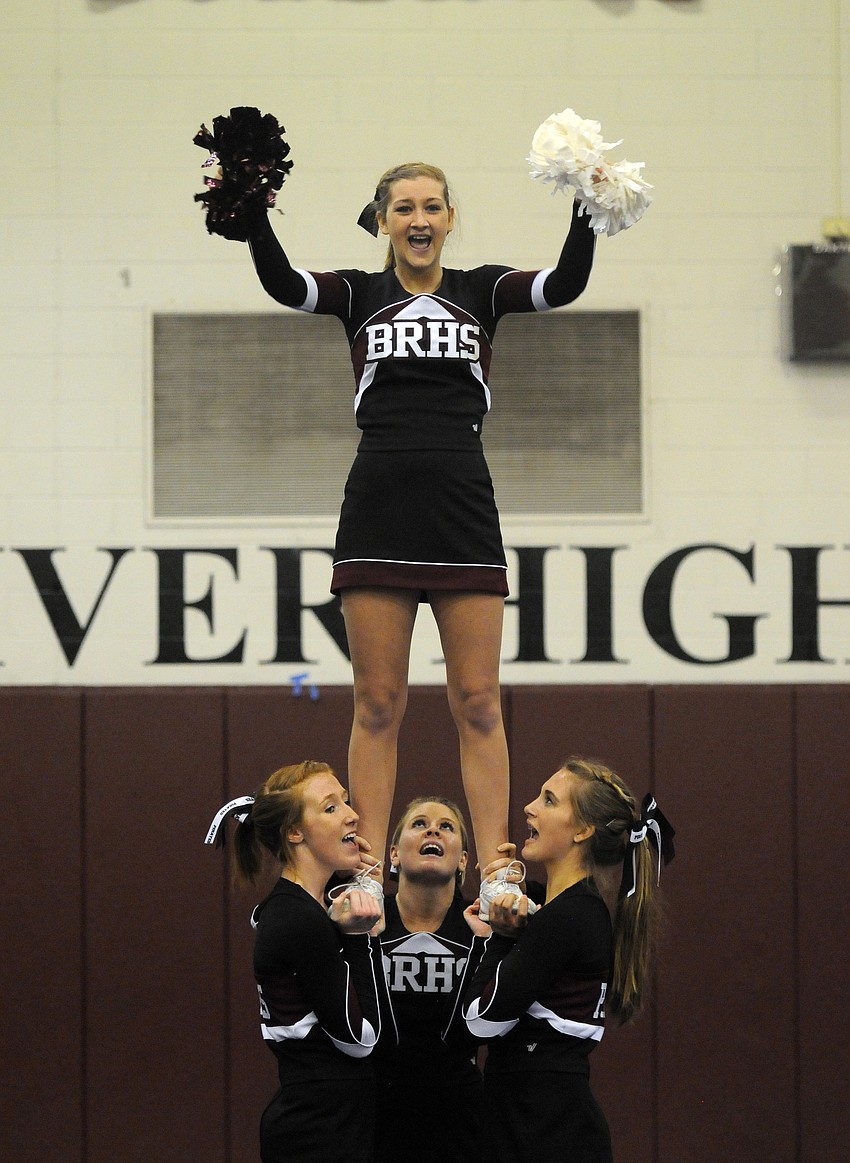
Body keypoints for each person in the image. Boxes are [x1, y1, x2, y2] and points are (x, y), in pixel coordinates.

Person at [242, 162, 597, 878]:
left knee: (478, 700)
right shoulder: (359, 294)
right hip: (379, 504)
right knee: (378, 701)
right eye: (404, 207)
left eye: (433, 206)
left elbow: (562, 285)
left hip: (462, 505)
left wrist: (588, 210)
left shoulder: (482, 290)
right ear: (383, 221)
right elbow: (285, 284)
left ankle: (497, 864)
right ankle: (366, 866)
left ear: (450, 218)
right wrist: (252, 215)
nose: (419, 219)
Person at [462, 756, 675, 1163]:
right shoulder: (560, 907)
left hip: (545, 1129)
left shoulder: (570, 917)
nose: (530, 807)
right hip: (532, 1117)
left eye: (549, 800)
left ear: (582, 830)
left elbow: (479, 1022)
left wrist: (499, 940)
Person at [205, 760, 391, 1163]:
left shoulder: (302, 908)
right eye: (331, 807)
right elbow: (361, 1039)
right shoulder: (298, 918)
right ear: (294, 832)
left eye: (345, 801)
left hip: (333, 1117)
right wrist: (359, 939)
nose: (352, 814)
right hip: (318, 1129)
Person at [374, 795, 496, 1163]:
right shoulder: (364, 920)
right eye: (419, 823)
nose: (433, 830)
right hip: (376, 1108)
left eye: (447, 826)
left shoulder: (483, 926)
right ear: (393, 854)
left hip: (459, 1116)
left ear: (463, 860)